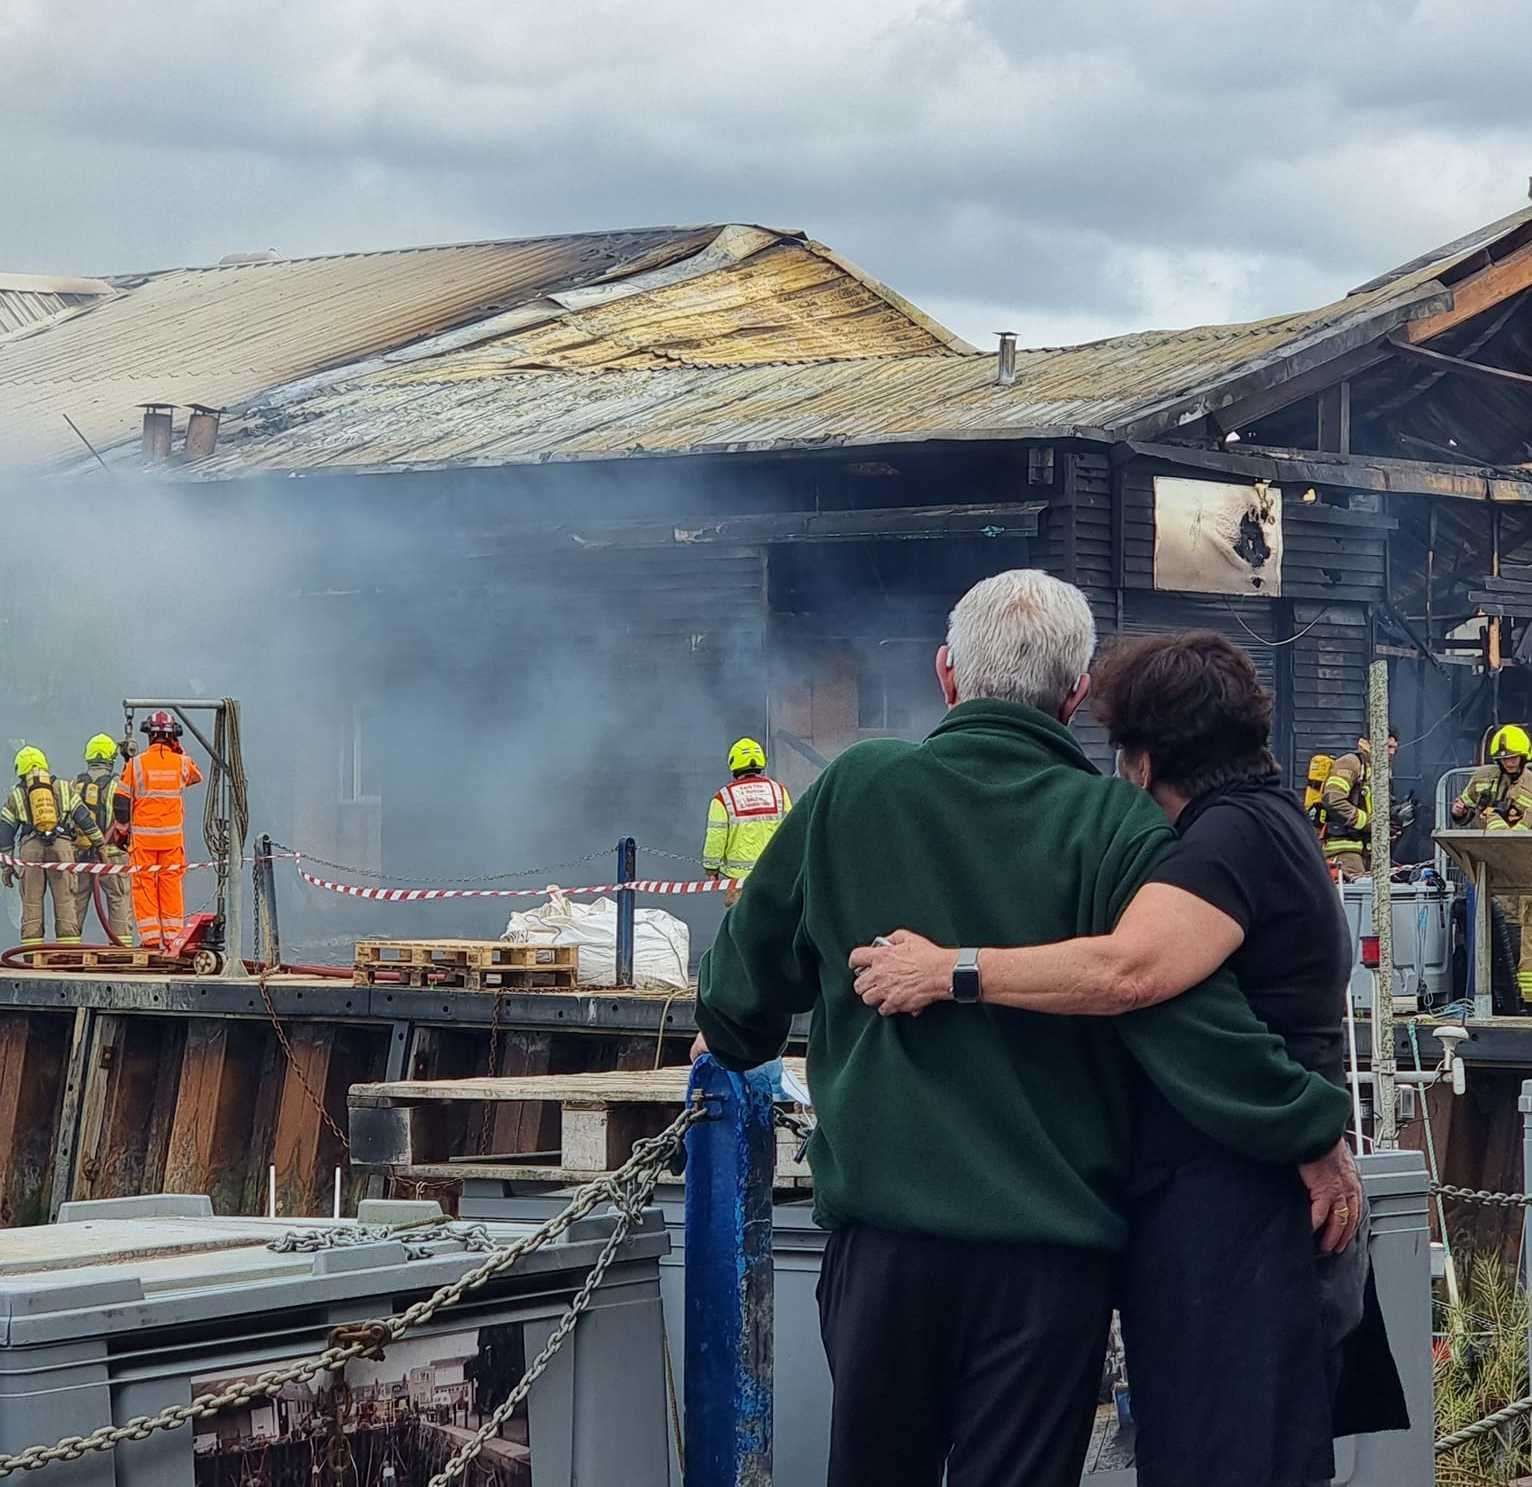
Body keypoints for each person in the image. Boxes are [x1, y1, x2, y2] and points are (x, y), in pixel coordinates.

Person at [694, 571, 1354, 1487]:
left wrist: (727, 1040)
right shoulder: (1115, 822)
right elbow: (1187, 1022)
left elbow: (738, 999)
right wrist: (1307, 1125)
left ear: (945, 674)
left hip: (885, 1250)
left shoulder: (854, 788)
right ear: (1075, 694)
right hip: (1049, 1267)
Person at [850, 630, 1408, 1487]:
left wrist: (950, 970)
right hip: (1254, 1201)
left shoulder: (1228, 841)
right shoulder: (1276, 818)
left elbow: (1128, 969)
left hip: (1236, 1215)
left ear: (1141, 762)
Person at [1451, 723, 1532, 1004]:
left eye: (1514, 758)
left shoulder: (1530, 785)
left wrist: (1495, 817)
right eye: (1504, 758)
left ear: (1524, 757)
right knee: (1495, 934)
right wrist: (1458, 810)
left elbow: (1519, 828)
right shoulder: (1484, 777)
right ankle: (1502, 998)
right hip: (1488, 870)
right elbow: (1464, 806)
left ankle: (1522, 1000)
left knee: (1522, 934)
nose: (1509, 763)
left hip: (1523, 871)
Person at [0, 746, 105, 946]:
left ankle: (32, 952)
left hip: (30, 850)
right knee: (65, 900)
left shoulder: (16, 794)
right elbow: (84, 818)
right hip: (62, 848)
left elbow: (5, 832)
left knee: (31, 902)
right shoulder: (64, 788)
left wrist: (7, 865)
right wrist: (100, 844)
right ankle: (69, 950)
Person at [119, 710, 203, 950]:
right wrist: (178, 750)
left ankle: (152, 938)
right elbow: (196, 777)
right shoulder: (183, 764)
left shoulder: (136, 764)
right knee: (171, 885)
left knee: (144, 884)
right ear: (173, 736)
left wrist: (122, 830)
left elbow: (121, 800)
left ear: (149, 736)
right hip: (171, 840)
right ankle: (173, 937)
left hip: (144, 841)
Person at [701, 737, 791, 907]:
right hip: (775, 878)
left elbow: (716, 836)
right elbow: (792, 832)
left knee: (741, 931)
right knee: (776, 928)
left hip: (739, 884)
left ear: (733, 765)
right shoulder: (780, 792)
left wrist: (711, 868)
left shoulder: (722, 798)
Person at [73, 734, 135, 946]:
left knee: (74, 901)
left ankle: (68, 947)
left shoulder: (75, 785)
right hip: (113, 855)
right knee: (119, 898)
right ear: (111, 758)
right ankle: (120, 948)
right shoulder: (118, 785)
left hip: (80, 855)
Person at [1320, 726, 1399, 878]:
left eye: (1395, 748)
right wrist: (1370, 823)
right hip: (1344, 849)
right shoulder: (1350, 763)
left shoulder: (1378, 770)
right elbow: (1333, 800)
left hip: (1366, 849)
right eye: (1387, 747)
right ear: (1370, 743)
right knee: (1354, 897)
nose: (1392, 752)